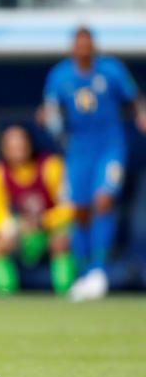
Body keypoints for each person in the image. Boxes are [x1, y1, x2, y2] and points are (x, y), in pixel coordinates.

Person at [41, 27, 146, 301]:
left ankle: (100, 271)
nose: (84, 48)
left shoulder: (111, 70)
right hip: (78, 149)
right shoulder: (60, 75)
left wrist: (141, 114)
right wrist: (48, 117)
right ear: (73, 47)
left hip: (110, 146)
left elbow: (133, 99)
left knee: (104, 200)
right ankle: (86, 272)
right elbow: (52, 109)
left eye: (88, 44)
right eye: (79, 44)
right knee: (81, 211)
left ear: (94, 46)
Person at [0, 125, 75, 295]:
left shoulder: (51, 166)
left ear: (30, 144)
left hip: (51, 229)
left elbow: (68, 208)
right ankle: (6, 295)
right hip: (23, 230)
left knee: (61, 241)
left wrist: (43, 221)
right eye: (11, 147)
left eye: (21, 145)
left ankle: (66, 292)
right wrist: (11, 227)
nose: (17, 151)